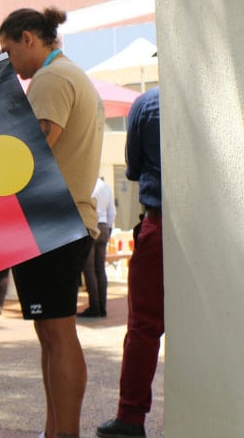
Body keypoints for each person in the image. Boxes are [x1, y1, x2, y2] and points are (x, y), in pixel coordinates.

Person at [0, 7, 104, 438]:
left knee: (58, 335)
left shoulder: (51, 79)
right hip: (63, 218)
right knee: (51, 333)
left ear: (28, 39)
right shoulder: (68, 74)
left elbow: (34, 150)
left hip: (53, 219)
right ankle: (56, 430)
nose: (9, 64)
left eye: (7, 51)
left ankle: (66, 433)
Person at [97, 86, 162, 438]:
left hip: (160, 224)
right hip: (215, 227)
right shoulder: (212, 93)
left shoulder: (147, 103)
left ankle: (131, 417)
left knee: (144, 327)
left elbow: (134, 169)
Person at [80, 176, 116, 318]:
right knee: (100, 268)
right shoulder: (106, 187)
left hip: (89, 226)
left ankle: (94, 307)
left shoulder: (87, 184)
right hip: (104, 226)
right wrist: (109, 228)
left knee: (89, 269)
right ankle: (102, 307)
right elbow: (112, 211)